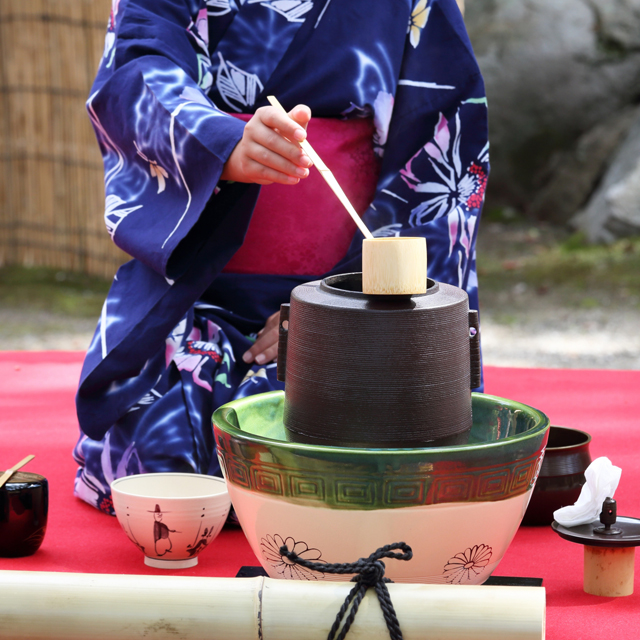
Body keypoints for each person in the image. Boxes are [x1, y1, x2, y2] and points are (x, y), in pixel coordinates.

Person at [73, 0, 489, 514]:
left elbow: (441, 133)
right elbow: (138, 67)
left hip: (360, 300)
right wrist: (222, 144)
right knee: (168, 466)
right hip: (198, 292)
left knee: (353, 446)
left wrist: (343, 305)